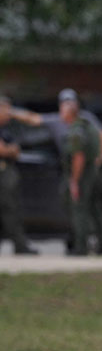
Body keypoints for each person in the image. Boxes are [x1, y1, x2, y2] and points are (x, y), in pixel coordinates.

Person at [58, 89, 102, 256]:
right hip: (95, 172)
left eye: (62, 111)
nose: (60, 115)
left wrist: (74, 180)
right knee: (96, 209)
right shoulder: (89, 126)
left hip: (83, 174)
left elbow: (78, 157)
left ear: (69, 114)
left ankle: (81, 247)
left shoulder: (76, 131)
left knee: (79, 210)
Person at [0, 97, 38, 255]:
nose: (10, 115)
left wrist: (10, 150)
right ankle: (20, 245)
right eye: (6, 111)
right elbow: (4, 151)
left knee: (12, 209)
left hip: (7, 170)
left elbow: (16, 151)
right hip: (3, 173)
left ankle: (20, 244)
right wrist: (10, 150)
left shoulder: (6, 131)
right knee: (9, 209)